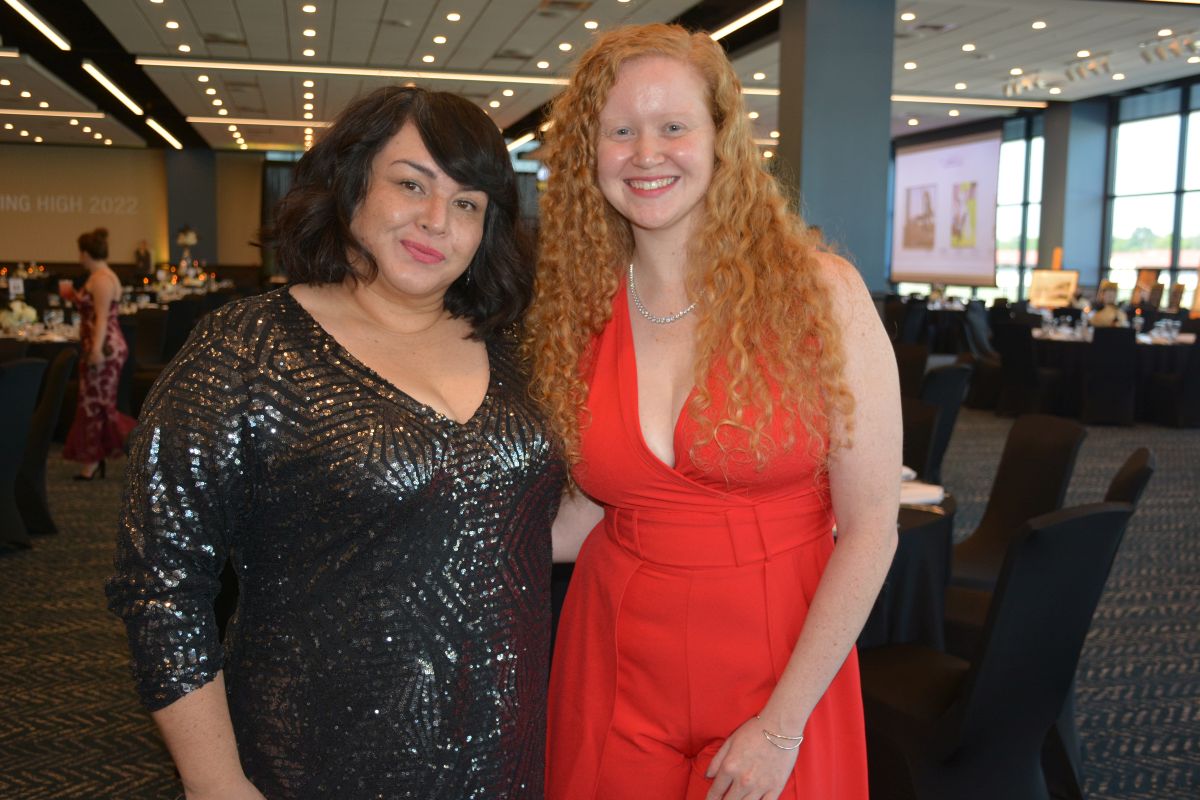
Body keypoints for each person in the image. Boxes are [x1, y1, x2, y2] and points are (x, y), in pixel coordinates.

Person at [106, 86, 564, 799]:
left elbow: (527, 522)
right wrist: (214, 781)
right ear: (351, 184)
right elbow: (161, 584)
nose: (437, 220)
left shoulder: (515, 351)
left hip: (505, 758)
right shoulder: (249, 349)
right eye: (411, 184)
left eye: (468, 203)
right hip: (314, 758)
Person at [525, 24, 900, 800]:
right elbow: (593, 512)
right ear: (588, 154)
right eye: (619, 131)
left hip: (778, 673)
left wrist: (783, 725)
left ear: (722, 139)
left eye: (673, 126)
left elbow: (871, 529)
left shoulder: (819, 294)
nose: (645, 153)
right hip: (615, 666)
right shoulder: (579, 311)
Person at [62, 227, 136, 479]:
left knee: (97, 404)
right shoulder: (98, 277)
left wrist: (95, 350)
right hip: (99, 345)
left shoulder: (103, 279)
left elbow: (102, 318)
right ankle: (94, 460)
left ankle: (135, 443)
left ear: (85, 253)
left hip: (104, 348)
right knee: (95, 403)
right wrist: (74, 297)